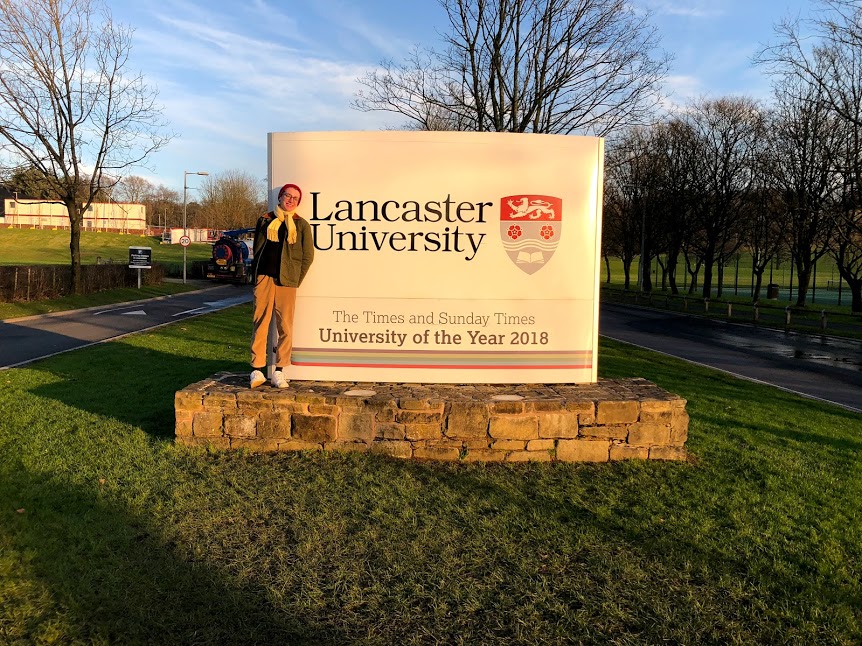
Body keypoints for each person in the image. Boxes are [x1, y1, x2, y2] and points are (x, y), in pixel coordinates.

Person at [249, 183, 315, 388]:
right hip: (264, 278)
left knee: (285, 325)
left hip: (287, 281)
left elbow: (308, 257)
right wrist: (256, 274)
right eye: (288, 195)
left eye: (295, 198)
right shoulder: (265, 220)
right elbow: (258, 248)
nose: (291, 200)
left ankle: (280, 370)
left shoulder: (301, 225)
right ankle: (257, 369)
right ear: (280, 197)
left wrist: (295, 278)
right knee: (260, 322)